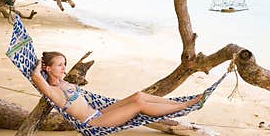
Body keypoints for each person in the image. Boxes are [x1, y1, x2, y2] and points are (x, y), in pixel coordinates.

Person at [30, 51, 204, 128]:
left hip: (99, 111)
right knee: (139, 105)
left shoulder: (63, 83)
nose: (64, 67)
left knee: (139, 95)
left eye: (64, 64)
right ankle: (183, 106)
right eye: (59, 65)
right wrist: (40, 66)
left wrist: (51, 70)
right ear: (48, 68)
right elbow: (36, 77)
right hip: (94, 122)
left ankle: (177, 103)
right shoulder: (53, 91)